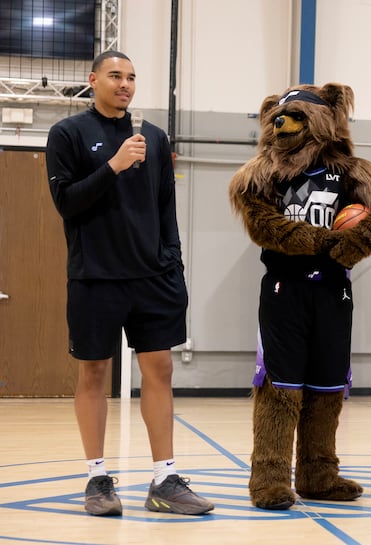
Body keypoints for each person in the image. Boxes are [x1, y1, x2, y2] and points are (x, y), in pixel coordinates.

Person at [46, 50, 214, 516]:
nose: (125, 84)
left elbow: (166, 207)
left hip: (154, 278)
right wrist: (113, 166)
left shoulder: (153, 137)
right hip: (95, 277)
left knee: (160, 370)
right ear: (93, 79)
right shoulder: (67, 134)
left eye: (132, 77)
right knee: (94, 373)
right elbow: (66, 203)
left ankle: (165, 481)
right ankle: (97, 478)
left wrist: (173, 264)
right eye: (116, 76)